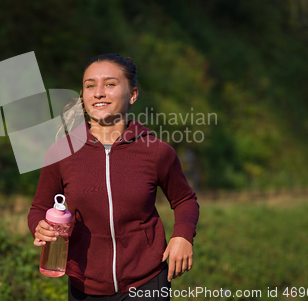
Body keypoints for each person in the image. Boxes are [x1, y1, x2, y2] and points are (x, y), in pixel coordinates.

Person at [28, 54, 199, 300]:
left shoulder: (156, 151)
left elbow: (185, 200)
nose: (98, 93)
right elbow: (38, 208)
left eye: (110, 84)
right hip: (84, 287)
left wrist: (182, 235)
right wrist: (39, 227)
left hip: (147, 281)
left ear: (133, 94)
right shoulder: (61, 152)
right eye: (90, 85)